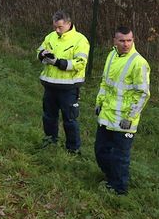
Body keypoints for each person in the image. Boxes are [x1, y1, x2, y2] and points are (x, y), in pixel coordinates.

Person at [93, 26, 151, 194]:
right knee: (100, 150)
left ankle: (119, 188)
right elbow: (105, 83)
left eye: (129, 40)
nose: (126, 44)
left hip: (124, 120)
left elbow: (143, 94)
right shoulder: (111, 55)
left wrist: (130, 117)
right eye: (122, 40)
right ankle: (111, 176)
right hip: (107, 114)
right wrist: (99, 102)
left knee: (120, 156)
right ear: (114, 41)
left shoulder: (139, 63)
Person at [36, 10, 90, 153]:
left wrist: (58, 62)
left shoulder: (80, 40)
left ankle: (73, 149)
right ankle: (50, 142)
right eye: (55, 27)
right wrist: (43, 55)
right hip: (49, 85)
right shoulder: (51, 37)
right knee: (48, 117)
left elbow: (80, 63)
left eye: (60, 27)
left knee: (70, 120)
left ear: (69, 24)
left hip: (69, 87)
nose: (57, 30)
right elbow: (39, 51)